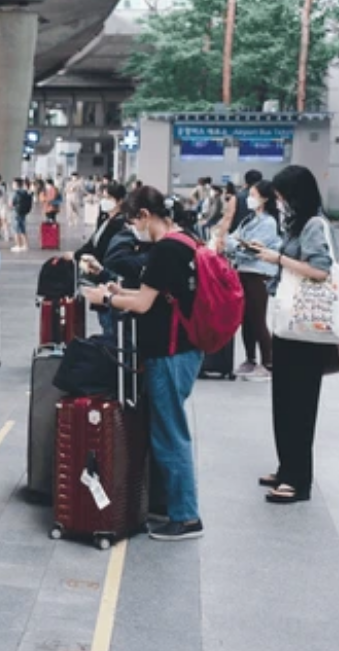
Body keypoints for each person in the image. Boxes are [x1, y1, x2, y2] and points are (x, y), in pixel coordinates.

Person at [80, 186, 205, 540]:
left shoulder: (166, 249)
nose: (134, 229)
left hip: (170, 352)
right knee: (168, 429)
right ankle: (172, 507)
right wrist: (117, 292)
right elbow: (155, 296)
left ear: (146, 216)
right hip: (183, 349)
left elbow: (143, 305)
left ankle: (186, 517)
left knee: (170, 434)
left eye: (134, 221)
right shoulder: (186, 241)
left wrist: (105, 298)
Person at [249, 165, 339, 505]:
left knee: (300, 405)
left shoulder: (314, 224)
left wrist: (278, 258)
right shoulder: (297, 223)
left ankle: (298, 480)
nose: (280, 202)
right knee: (284, 400)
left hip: (307, 332)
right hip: (290, 327)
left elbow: (320, 269)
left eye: (282, 197)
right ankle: (286, 468)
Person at [211, 179, 281, 380]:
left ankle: (268, 363)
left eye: (253, 195)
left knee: (258, 319)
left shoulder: (268, 222)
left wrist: (235, 244)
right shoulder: (250, 219)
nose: (249, 198)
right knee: (246, 319)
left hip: (259, 274)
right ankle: (250, 359)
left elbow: (252, 250)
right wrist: (237, 244)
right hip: (244, 271)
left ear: (264, 198)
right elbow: (236, 240)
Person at [74, 183, 145, 337]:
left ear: (120, 200)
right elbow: (93, 243)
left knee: (113, 331)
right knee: (108, 326)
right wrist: (79, 255)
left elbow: (105, 251)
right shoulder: (106, 220)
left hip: (110, 281)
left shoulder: (122, 226)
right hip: (102, 278)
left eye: (108, 198)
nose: (104, 201)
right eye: (103, 197)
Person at [11, 178, 32, 252]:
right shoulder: (25, 192)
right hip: (23, 213)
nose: (12, 185)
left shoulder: (16, 193)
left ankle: (18, 245)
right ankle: (26, 245)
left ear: (16, 184)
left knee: (16, 230)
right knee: (23, 229)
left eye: (13, 184)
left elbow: (12, 203)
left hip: (16, 212)